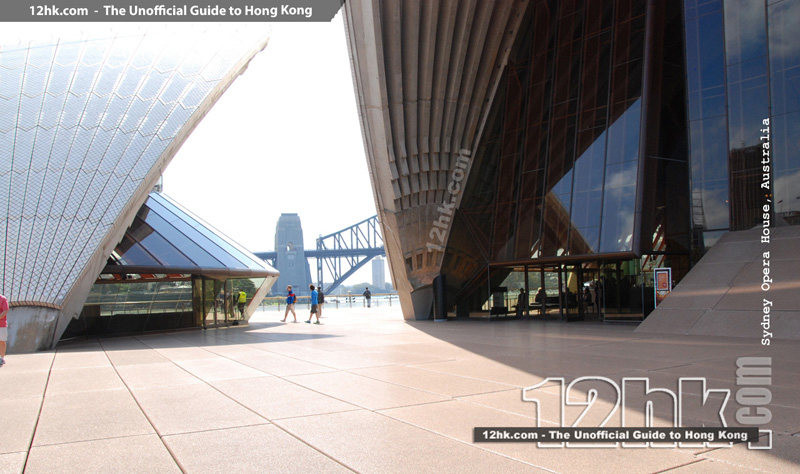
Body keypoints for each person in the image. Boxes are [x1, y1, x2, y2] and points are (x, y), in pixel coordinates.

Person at [0, 294, 8, 367]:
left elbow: (5, 310)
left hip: (1, 324)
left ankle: (2, 358)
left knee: (1, 341)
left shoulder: (2, 299)